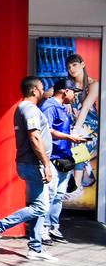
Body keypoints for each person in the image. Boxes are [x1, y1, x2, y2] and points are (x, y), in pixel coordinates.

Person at [0, 77, 58, 261]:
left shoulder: (24, 108)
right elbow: (35, 138)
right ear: (34, 90)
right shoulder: (30, 109)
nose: (44, 90)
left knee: (38, 206)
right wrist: (46, 165)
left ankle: (35, 248)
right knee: (41, 206)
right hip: (34, 163)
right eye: (41, 88)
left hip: (30, 162)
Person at [39, 78, 86, 244]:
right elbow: (46, 130)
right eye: (74, 91)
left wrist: (73, 137)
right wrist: (69, 136)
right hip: (52, 158)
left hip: (64, 157)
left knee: (58, 195)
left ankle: (53, 226)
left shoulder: (63, 107)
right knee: (50, 195)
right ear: (65, 91)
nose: (75, 95)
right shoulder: (49, 106)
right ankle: (43, 229)